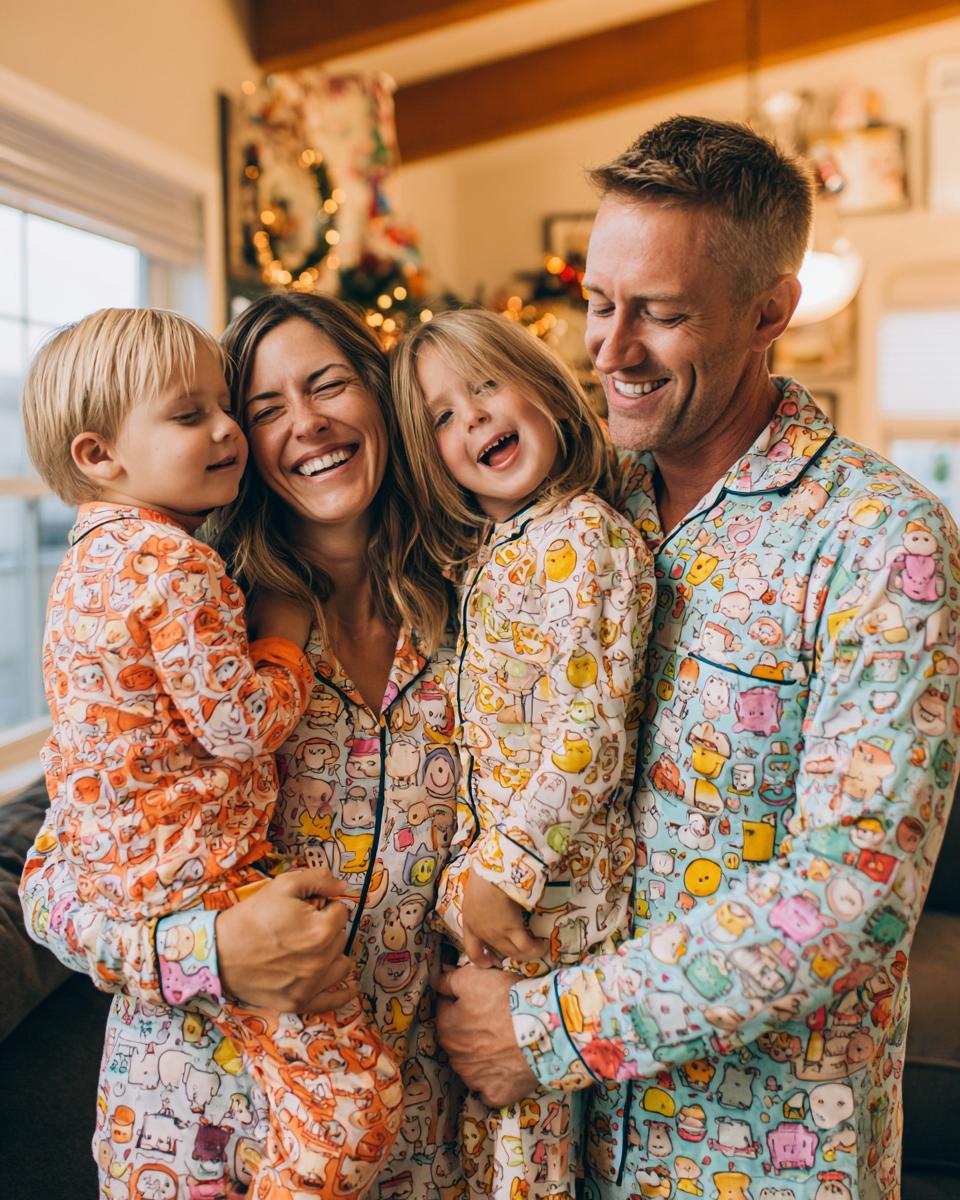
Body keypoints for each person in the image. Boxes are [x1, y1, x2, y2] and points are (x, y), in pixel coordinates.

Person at [435, 116, 960, 1200]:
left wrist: (547, 1030)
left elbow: (852, 892)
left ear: (772, 309)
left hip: (762, 1154)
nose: (610, 349)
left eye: (661, 315)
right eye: (597, 302)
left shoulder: (879, 540)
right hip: (552, 1152)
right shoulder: (564, 502)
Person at [20, 293, 464, 1200]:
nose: (304, 424)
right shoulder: (182, 608)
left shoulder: (485, 610)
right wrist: (209, 949)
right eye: (262, 408)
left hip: (413, 1142)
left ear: (381, 396)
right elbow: (53, 888)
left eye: (330, 383)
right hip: (191, 1131)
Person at [391, 309, 655, 1200]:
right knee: (494, 1143)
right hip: (499, 895)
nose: (470, 419)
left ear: (544, 391)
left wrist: (505, 867)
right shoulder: (490, 555)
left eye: (486, 387)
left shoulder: (587, 537)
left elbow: (590, 739)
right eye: (439, 417)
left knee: (526, 1148)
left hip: (553, 898)